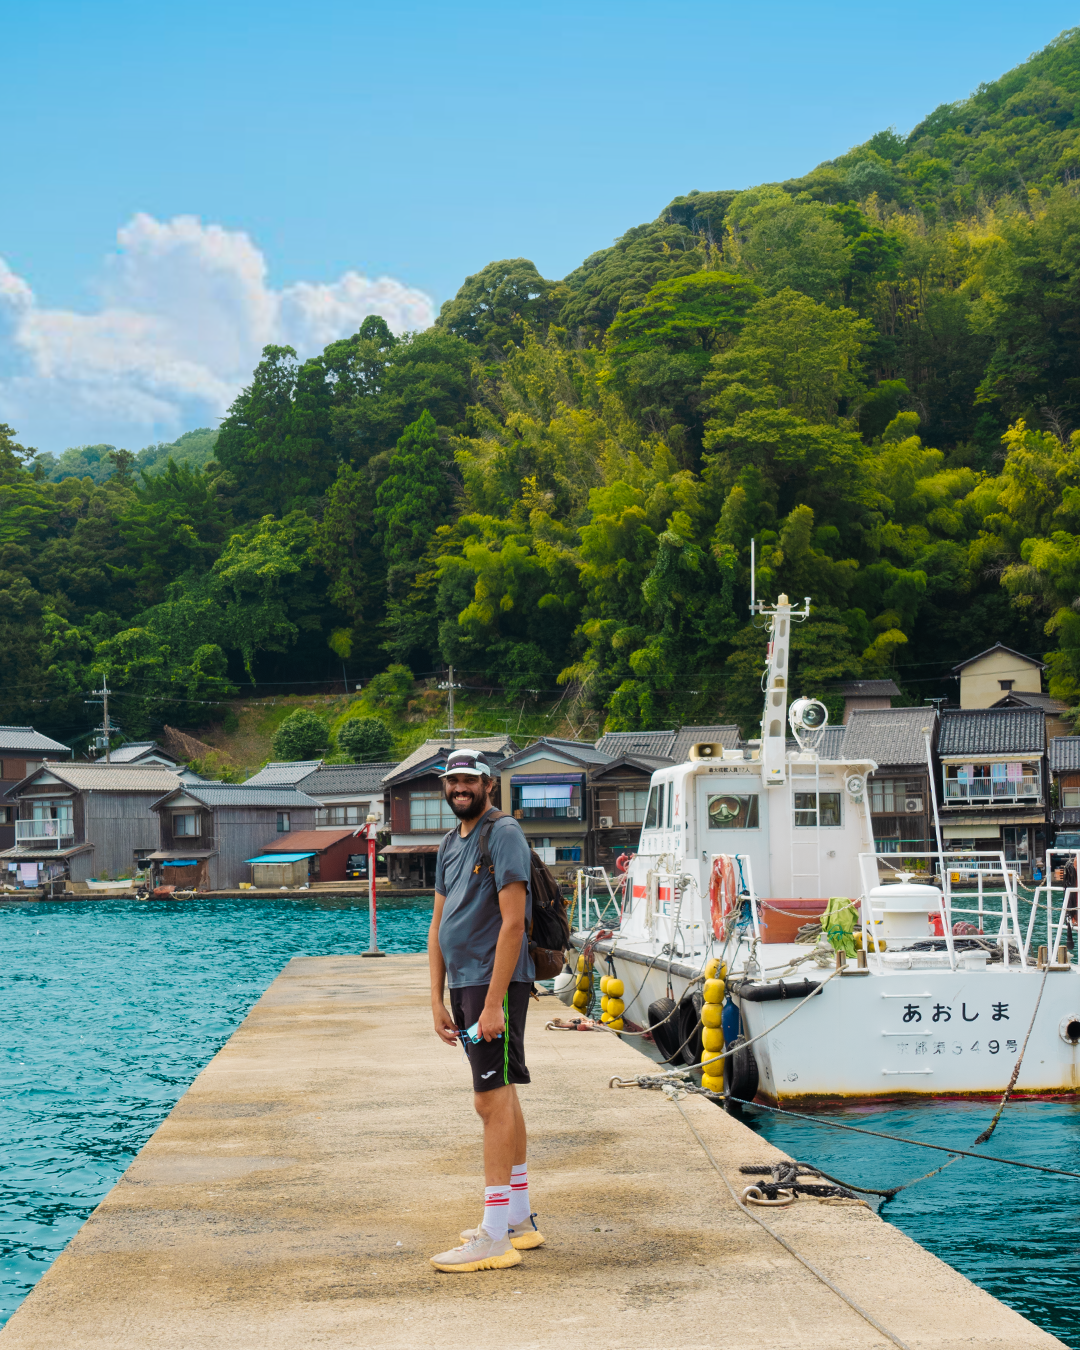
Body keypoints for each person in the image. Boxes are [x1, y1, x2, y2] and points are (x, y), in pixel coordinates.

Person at [427, 748, 543, 1273]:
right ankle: (517, 1219)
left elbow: (513, 923)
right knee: (503, 1095)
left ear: (488, 784)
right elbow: (438, 924)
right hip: (465, 984)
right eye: (453, 781)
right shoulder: (450, 842)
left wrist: (493, 1003)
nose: (460, 788)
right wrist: (435, 997)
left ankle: (494, 1234)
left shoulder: (504, 833)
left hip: (492, 984)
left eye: (469, 780)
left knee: (488, 1101)